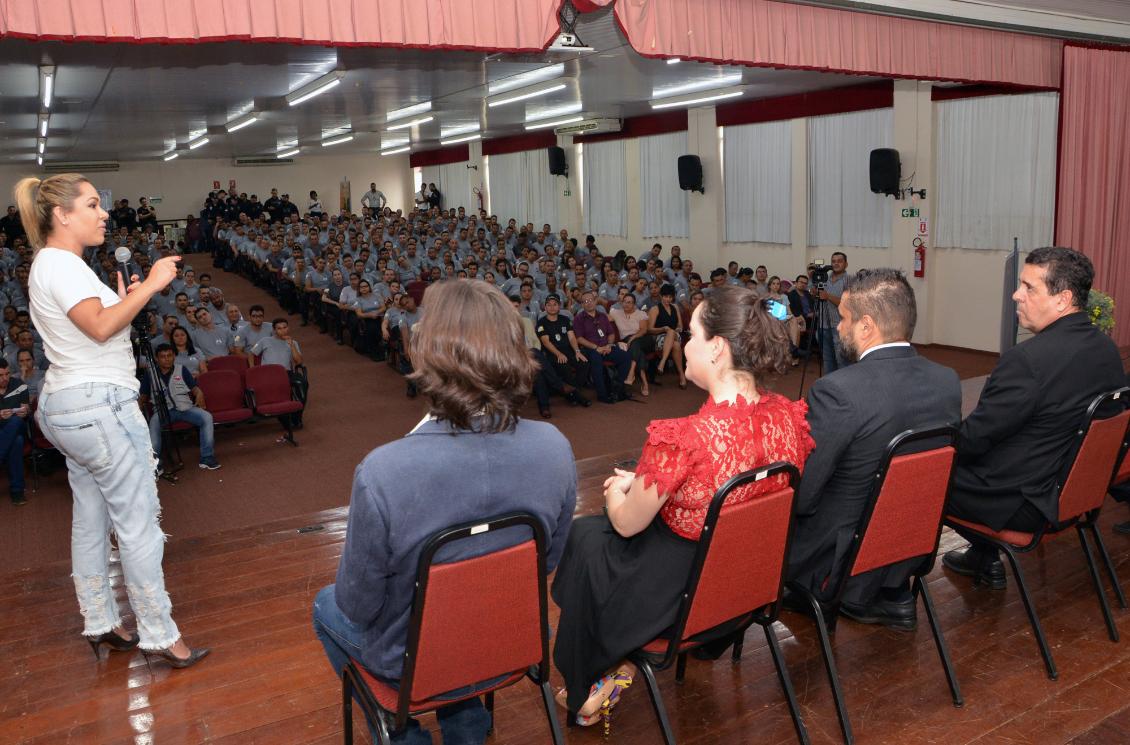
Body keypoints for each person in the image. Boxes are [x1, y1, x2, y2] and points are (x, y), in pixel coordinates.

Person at [312, 279, 576, 745]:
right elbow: (547, 562)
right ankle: (468, 721)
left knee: (325, 605)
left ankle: (404, 735)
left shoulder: (385, 471)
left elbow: (359, 604)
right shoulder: (554, 447)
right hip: (513, 640)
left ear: (427, 352)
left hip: (415, 661)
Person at [551, 285, 814, 728]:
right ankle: (622, 662)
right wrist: (652, 481)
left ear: (716, 348)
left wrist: (618, 492)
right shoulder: (787, 416)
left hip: (683, 587)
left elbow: (628, 525)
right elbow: (733, 486)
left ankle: (591, 681)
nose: (684, 345)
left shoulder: (685, 439)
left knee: (587, 537)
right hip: (745, 579)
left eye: (690, 335)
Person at [20, 174, 206, 667]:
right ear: (62, 215)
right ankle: (160, 633)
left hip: (70, 407)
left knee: (91, 518)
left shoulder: (56, 265)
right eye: (93, 204)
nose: (104, 213)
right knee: (138, 524)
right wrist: (156, 287)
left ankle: (101, 620)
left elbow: (102, 322)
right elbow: (101, 328)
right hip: (99, 406)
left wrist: (132, 295)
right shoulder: (62, 265)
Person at [786, 269, 961, 629]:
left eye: (844, 319)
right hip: (910, 542)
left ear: (866, 327)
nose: (837, 328)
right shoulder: (946, 381)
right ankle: (890, 594)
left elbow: (803, 497)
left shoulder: (838, 391)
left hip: (842, 556)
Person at [942, 247, 1126, 589]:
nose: (1016, 294)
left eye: (1029, 287)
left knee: (916, 476)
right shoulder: (1105, 350)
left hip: (1023, 502)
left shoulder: (1026, 360)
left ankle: (891, 594)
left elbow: (974, 439)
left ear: (1063, 299)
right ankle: (984, 557)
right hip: (1073, 492)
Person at [141, 343, 221, 471]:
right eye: (163, 356)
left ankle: (207, 458)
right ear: (157, 358)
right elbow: (143, 396)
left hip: (185, 408)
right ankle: (156, 465)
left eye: (169, 356)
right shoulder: (150, 374)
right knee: (154, 423)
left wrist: (199, 394)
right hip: (163, 411)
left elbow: (195, 389)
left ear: (174, 357)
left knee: (206, 417)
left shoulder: (182, 369)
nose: (166, 359)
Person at [573, 290, 632, 404]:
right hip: (590, 349)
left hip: (607, 346)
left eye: (590, 300)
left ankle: (617, 388)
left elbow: (611, 333)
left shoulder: (603, 316)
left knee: (625, 356)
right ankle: (602, 394)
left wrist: (609, 345)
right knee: (596, 359)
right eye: (585, 301)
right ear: (582, 305)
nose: (588, 303)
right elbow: (579, 338)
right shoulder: (579, 318)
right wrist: (596, 348)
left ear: (595, 301)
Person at [608, 292, 653, 397]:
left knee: (635, 344)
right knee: (638, 353)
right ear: (621, 302)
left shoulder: (640, 314)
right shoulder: (615, 313)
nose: (626, 305)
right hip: (630, 343)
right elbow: (602, 319)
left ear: (634, 304)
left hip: (644, 339)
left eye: (629, 302)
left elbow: (643, 330)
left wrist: (632, 338)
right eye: (624, 302)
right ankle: (645, 383)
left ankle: (631, 371)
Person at [0, 358, 29, 505]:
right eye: (0, 375)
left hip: (19, 424)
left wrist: (24, 412)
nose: (5, 378)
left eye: (7, 374)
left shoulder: (19, 385)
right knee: (16, 442)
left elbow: (26, 407)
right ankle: (17, 491)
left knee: (16, 421)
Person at [647, 283, 687, 388]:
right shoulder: (655, 309)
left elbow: (680, 326)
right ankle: (682, 376)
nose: (668, 299)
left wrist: (675, 330)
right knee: (676, 345)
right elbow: (650, 329)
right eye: (665, 297)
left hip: (675, 335)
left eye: (670, 297)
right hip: (659, 337)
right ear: (661, 296)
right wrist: (663, 328)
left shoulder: (675, 307)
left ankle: (662, 362)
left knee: (672, 332)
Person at [817, 252, 849, 373]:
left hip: (840, 326)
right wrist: (813, 291)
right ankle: (829, 386)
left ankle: (843, 388)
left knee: (842, 360)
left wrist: (828, 296)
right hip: (823, 324)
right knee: (827, 360)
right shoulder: (824, 278)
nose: (836, 263)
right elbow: (815, 293)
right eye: (833, 261)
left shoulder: (849, 280)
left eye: (839, 261)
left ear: (846, 264)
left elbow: (848, 304)